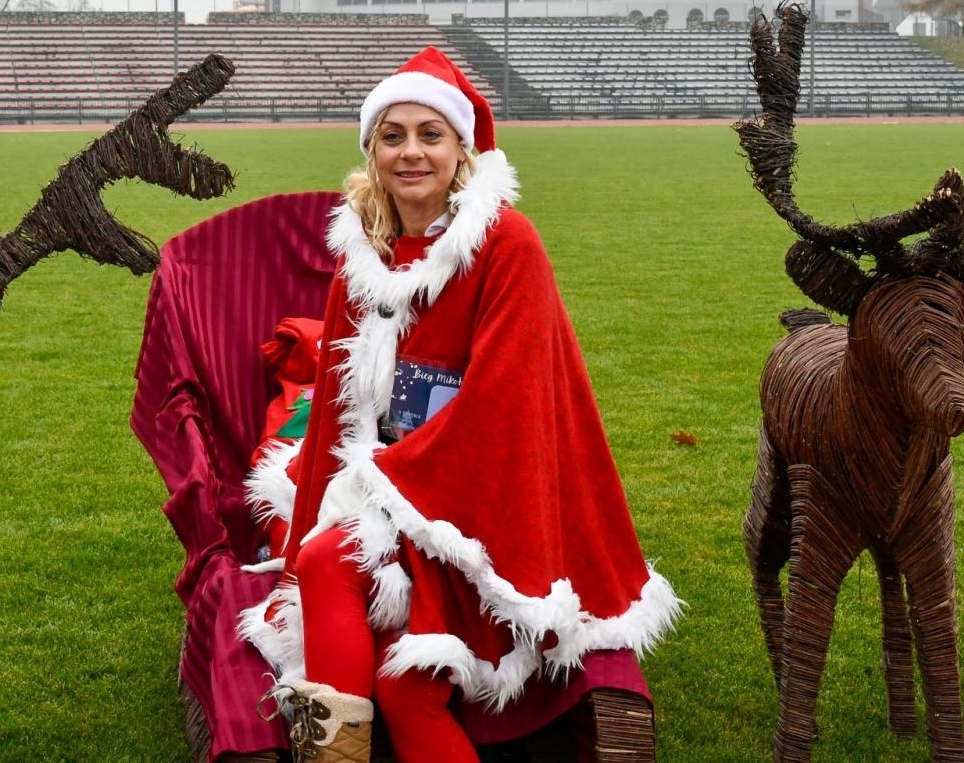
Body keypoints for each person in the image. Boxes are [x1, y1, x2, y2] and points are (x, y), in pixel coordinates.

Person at [240, 47, 680, 762]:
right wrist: (313, 519)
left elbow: (506, 409)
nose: (411, 152)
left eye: (430, 134)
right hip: (394, 488)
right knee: (362, 623)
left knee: (401, 671)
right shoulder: (364, 256)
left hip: (480, 506)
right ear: (371, 152)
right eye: (392, 136)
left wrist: (384, 491)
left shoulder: (507, 244)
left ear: (461, 150)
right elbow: (338, 412)